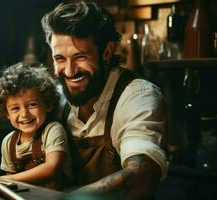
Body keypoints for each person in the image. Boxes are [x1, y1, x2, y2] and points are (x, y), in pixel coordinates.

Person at [41, 1, 167, 199]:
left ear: (107, 52)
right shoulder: (54, 99)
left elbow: (143, 174)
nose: (69, 71)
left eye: (80, 57)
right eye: (60, 59)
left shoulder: (137, 96)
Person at [0, 62, 72, 190]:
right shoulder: (8, 142)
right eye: (15, 108)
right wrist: (8, 180)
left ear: (48, 104)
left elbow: (52, 168)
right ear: (6, 113)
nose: (24, 114)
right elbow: (10, 186)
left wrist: (8, 179)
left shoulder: (53, 130)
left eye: (32, 105)